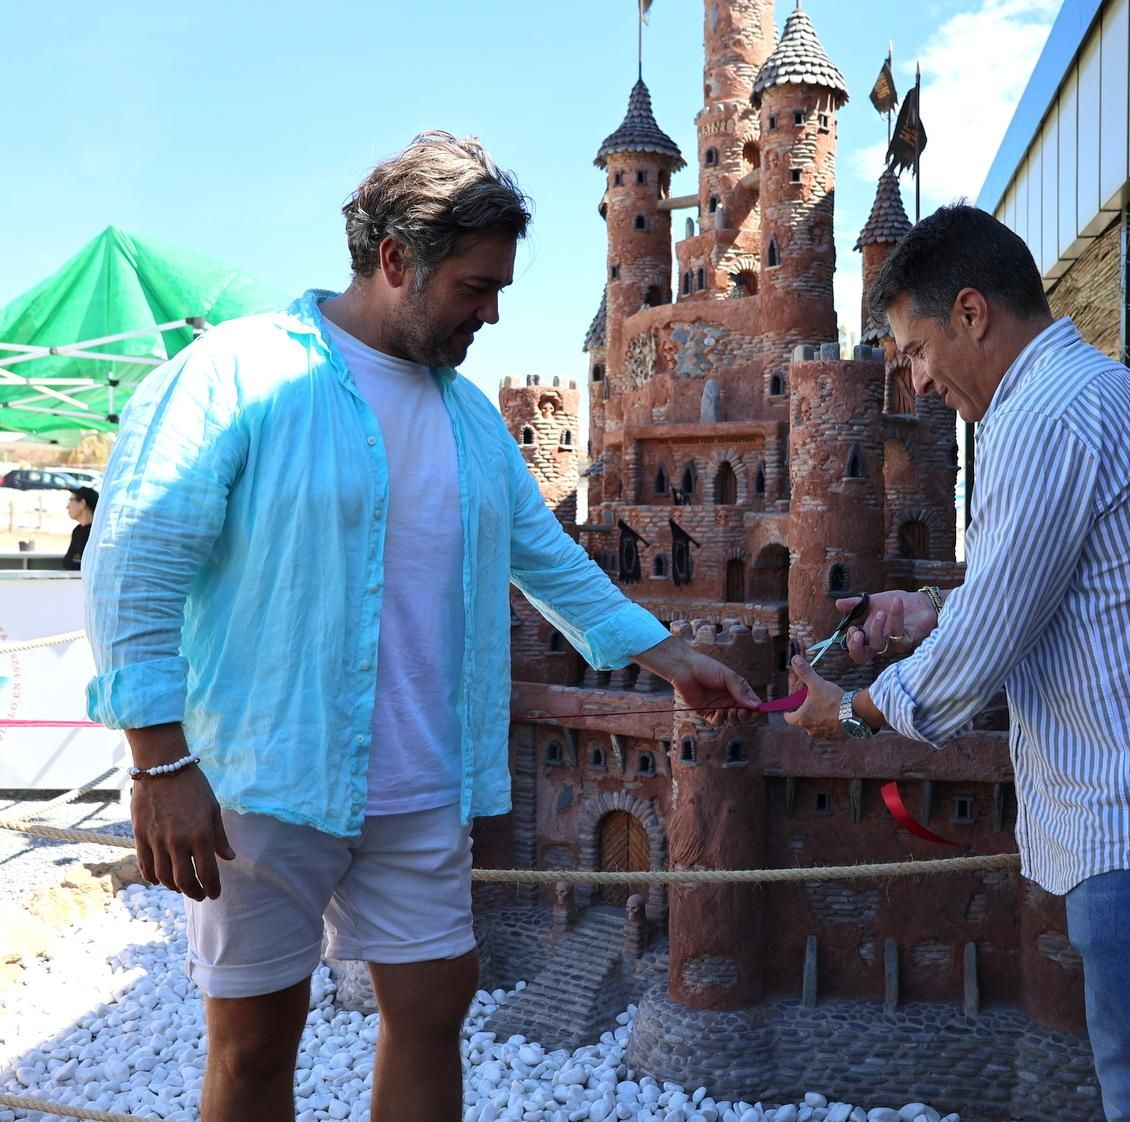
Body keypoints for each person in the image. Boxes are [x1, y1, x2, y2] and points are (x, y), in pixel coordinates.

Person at [83, 131, 758, 1122]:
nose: (490, 313)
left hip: (421, 785)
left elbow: (545, 556)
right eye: (474, 288)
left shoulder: (473, 420)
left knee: (435, 1010)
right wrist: (159, 764)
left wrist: (669, 658)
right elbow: (135, 566)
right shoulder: (232, 376)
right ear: (397, 263)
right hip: (263, 780)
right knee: (256, 1042)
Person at [784, 204, 1130, 1122]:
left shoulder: (1044, 415)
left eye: (918, 350)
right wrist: (929, 612)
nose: (920, 383)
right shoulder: (1089, 396)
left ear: (972, 313)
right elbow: (1056, 595)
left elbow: (987, 644)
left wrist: (851, 712)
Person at [64, 485, 97, 570]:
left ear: (82, 503)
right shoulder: (77, 531)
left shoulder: (97, 534)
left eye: (71, 500)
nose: (67, 506)